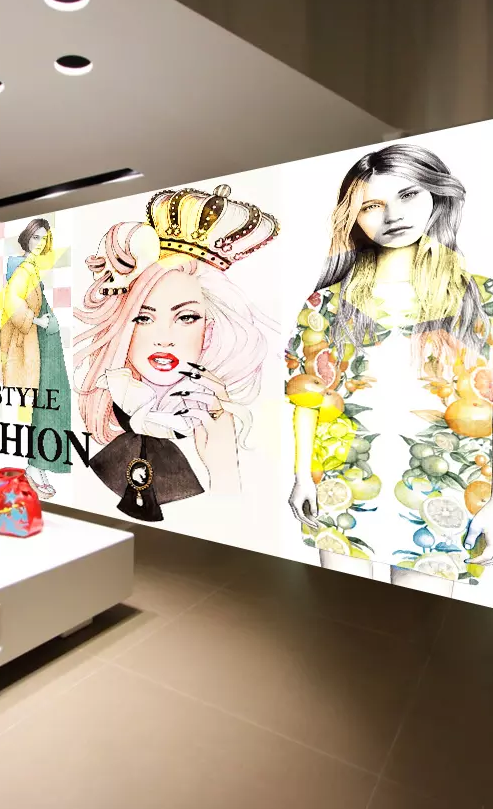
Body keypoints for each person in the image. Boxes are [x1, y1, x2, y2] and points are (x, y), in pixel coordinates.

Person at [285, 143, 493, 590]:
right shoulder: (327, 304)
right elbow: (307, 399)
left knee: (426, 624)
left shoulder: (481, 300)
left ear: (437, 195)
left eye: (409, 194)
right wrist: (303, 476)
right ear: (354, 217)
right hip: (342, 486)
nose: (392, 215)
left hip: (447, 491)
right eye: (371, 205)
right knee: (343, 617)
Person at [74, 185, 278, 522]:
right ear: (124, 325)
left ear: (210, 329)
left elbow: (234, 526)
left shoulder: (229, 425)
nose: (163, 339)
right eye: (144, 317)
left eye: (186, 318)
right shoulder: (112, 401)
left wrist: (224, 470)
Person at [0, 218, 72, 498]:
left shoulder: (30, 267)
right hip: (39, 345)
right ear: (27, 238)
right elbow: (11, 302)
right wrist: (38, 321)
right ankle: (36, 465)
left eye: (44, 237)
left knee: (54, 399)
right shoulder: (22, 269)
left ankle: (39, 464)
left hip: (45, 345)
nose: (40, 243)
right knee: (49, 400)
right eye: (36, 237)